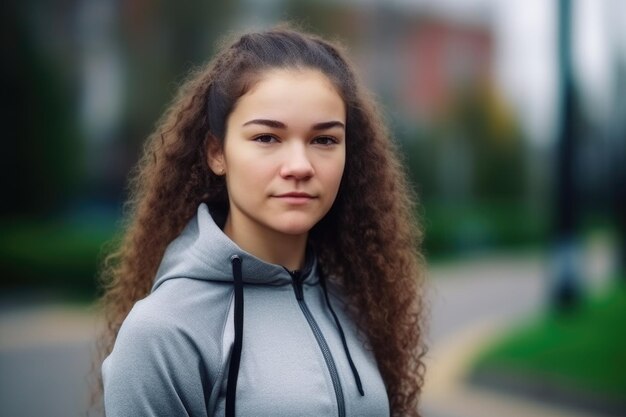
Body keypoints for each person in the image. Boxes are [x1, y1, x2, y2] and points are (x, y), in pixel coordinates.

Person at [99, 25, 426, 417]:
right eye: (267, 138)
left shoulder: (356, 302)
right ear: (217, 153)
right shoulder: (163, 331)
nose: (300, 167)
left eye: (324, 140)